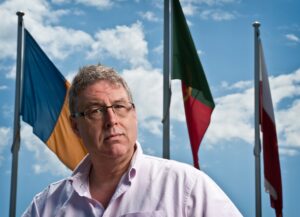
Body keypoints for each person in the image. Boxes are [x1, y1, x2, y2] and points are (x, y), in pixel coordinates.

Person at [22, 64, 243, 217]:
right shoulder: (45, 206)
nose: (111, 120)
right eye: (95, 111)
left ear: (133, 114)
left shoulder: (186, 185)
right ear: (75, 126)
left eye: (119, 106)